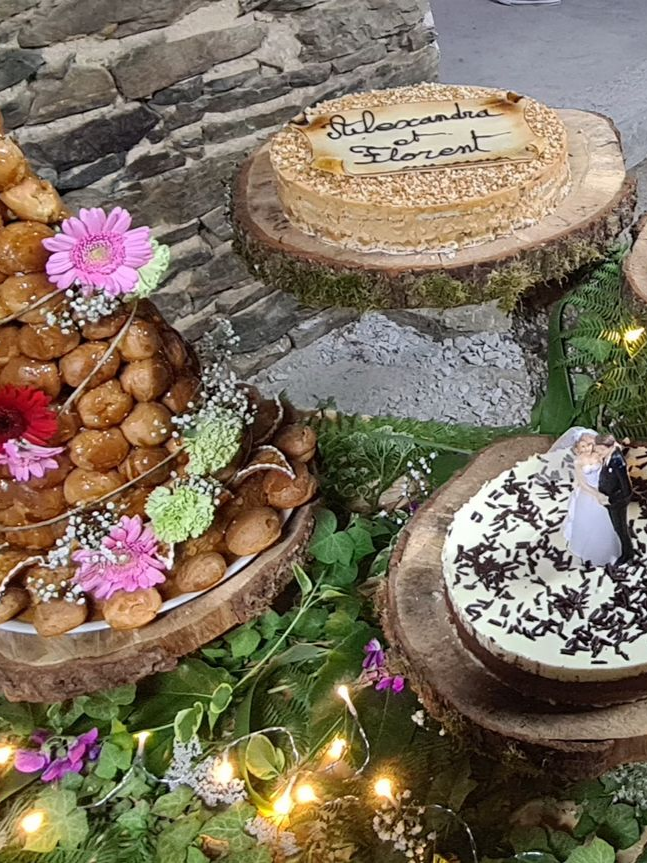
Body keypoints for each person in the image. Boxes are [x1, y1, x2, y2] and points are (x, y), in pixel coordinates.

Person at [562, 432, 621, 567]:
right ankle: (589, 551)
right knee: (588, 521)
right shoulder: (578, 462)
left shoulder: (598, 456)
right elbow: (582, 483)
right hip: (588, 493)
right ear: (577, 449)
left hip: (604, 489)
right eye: (582, 446)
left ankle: (608, 550)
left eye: (589, 445)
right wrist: (596, 494)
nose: (586, 449)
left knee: (606, 522)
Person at [595, 433, 634, 565]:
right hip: (609, 499)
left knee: (621, 528)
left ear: (608, 447)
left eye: (600, 449)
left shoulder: (618, 462)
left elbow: (626, 489)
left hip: (617, 502)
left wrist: (611, 499)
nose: (598, 452)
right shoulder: (608, 457)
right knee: (617, 527)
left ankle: (628, 554)